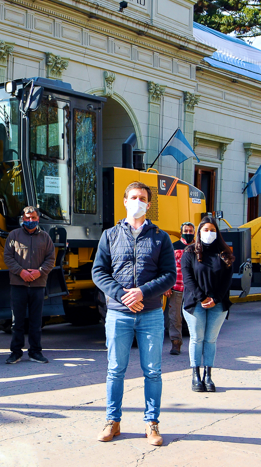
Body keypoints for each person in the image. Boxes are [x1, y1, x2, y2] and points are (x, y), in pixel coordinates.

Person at [92, 181, 176, 447]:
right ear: (125, 201)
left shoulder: (161, 237)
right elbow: (98, 272)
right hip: (119, 314)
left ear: (148, 205)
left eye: (142, 198)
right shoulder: (109, 235)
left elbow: (169, 275)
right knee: (115, 370)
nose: (138, 201)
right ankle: (112, 421)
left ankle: (152, 423)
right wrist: (122, 295)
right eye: (134, 197)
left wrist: (142, 292)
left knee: (152, 371)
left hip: (150, 313)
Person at [181, 216, 234, 393]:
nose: (209, 233)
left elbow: (227, 280)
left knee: (210, 339)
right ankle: (195, 375)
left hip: (218, 303)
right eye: (205, 230)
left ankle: (208, 375)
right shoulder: (190, 252)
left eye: (212, 230)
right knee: (197, 338)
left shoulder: (225, 253)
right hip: (195, 302)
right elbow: (188, 278)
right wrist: (202, 297)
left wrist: (215, 298)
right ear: (199, 232)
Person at [3, 206, 56, 365]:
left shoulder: (45, 238)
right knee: (17, 321)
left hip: (38, 285)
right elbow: (8, 257)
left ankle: (35, 352)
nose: (30, 220)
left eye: (33, 217)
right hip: (18, 284)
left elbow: (51, 259)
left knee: (36, 322)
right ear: (22, 218)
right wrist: (21, 272)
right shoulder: (14, 235)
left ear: (38, 218)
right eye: (27, 218)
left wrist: (40, 272)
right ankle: (16, 352)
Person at [165, 222, 194, 355]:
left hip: (193, 290)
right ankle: (176, 343)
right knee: (175, 317)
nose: (188, 233)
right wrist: (167, 286)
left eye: (190, 231)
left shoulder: (197, 248)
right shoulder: (173, 246)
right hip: (176, 287)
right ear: (181, 232)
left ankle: (198, 344)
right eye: (186, 231)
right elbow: (167, 267)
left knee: (195, 317)